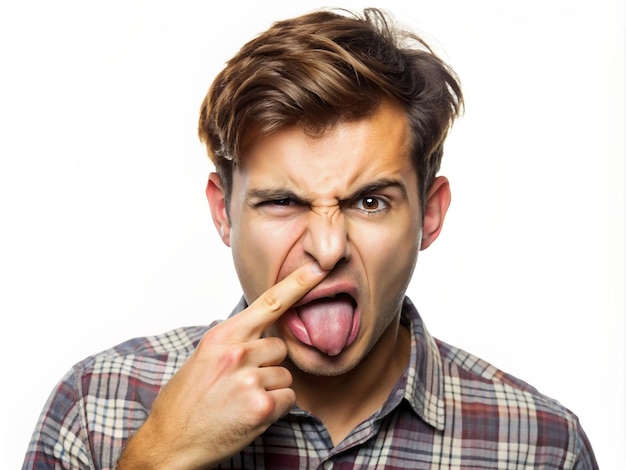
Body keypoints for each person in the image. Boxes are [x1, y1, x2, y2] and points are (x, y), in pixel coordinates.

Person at [22, 7, 597, 469]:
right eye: (283, 201)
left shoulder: (542, 448)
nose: (327, 249)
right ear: (224, 214)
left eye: (370, 201)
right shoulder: (97, 408)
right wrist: (159, 458)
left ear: (429, 215)